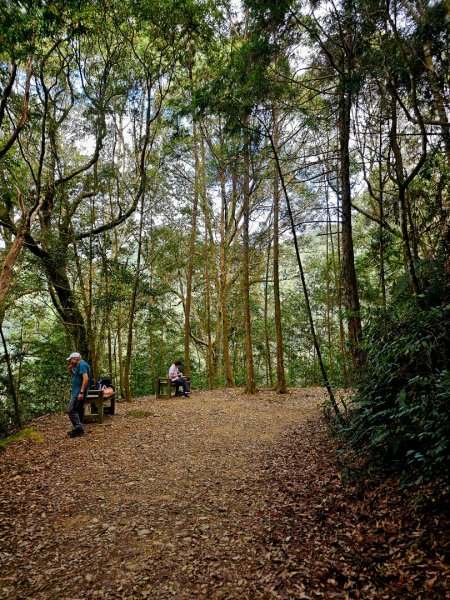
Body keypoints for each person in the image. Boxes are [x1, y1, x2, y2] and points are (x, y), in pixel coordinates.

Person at [66, 351, 91, 438]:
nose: (70, 361)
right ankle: (78, 430)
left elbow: (85, 379)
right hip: (77, 392)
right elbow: (78, 378)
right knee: (78, 410)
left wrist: (81, 392)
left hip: (78, 393)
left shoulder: (82, 365)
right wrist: (71, 370)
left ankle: (78, 427)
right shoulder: (79, 366)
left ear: (76, 359)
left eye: (71, 360)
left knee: (70, 410)